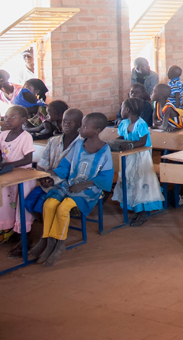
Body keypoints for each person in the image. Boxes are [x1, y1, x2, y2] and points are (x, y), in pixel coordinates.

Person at [28, 113, 113, 267]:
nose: (81, 128)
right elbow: (66, 166)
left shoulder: (104, 150)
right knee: (49, 204)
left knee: (63, 208)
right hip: (69, 183)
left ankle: (60, 244)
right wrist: (52, 175)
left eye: (85, 126)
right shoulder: (78, 145)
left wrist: (84, 184)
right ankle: (47, 240)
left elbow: (106, 176)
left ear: (96, 130)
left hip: (90, 188)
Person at [112, 98, 162, 227]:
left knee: (141, 182)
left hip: (141, 156)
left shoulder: (141, 124)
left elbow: (142, 142)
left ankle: (142, 213)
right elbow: (122, 137)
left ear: (128, 110)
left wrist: (128, 146)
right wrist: (115, 143)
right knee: (130, 181)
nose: (121, 110)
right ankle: (136, 208)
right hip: (128, 157)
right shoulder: (123, 123)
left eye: (122, 108)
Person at [0, 106, 36, 246]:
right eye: (6, 117)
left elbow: (28, 160)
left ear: (23, 120)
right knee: (8, 206)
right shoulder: (3, 135)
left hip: (23, 178)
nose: (8, 120)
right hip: (9, 176)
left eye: (12, 117)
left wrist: (7, 165)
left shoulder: (26, 137)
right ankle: (14, 232)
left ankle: (26, 240)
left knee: (21, 207)